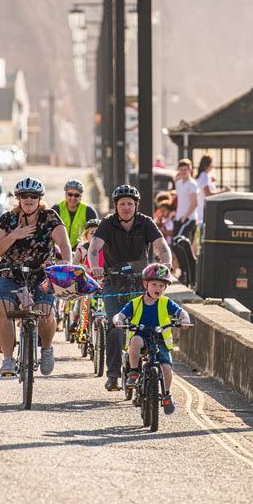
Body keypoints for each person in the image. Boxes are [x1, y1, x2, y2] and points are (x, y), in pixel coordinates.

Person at [87, 184, 172, 392]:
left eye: (130, 204)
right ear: (116, 206)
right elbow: (94, 247)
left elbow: (161, 246)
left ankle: (144, 365)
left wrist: (166, 263)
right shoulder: (107, 224)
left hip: (139, 281)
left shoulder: (146, 223)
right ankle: (114, 375)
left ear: (136, 206)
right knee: (115, 324)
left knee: (148, 325)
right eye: (122, 204)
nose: (126, 207)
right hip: (113, 282)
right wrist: (96, 267)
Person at [0, 176, 72, 377]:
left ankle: (47, 348)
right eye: (24, 196)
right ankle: (8, 358)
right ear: (18, 198)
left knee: (45, 312)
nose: (29, 199)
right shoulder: (7, 219)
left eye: (33, 196)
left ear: (39, 198)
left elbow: (64, 244)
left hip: (41, 273)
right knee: (3, 310)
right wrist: (14, 235)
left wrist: (66, 264)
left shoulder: (50, 218)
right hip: (10, 272)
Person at [113, 263, 191, 414]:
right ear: (145, 284)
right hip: (141, 335)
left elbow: (182, 313)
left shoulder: (166, 303)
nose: (158, 288)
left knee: (167, 369)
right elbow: (120, 315)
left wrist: (185, 320)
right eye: (154, 284)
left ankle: (167, 395)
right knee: (135, 341)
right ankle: (134, 372)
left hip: (159, 339)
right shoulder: (135, 303)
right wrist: (118, 321)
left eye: (161, 286)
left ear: (165, 288)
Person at [52, 179, 98, 251]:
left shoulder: (88, 211)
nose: (73, 198)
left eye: (76, 195)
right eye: (70, 194)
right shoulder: (56, 208)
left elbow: (94, 235)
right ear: (65, 195)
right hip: (58, 249)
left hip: (80, 250)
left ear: (80, 197)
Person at [196, 153, 229, 225]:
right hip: (205, 212)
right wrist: (223, 191)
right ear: (209, 164)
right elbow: (208, 194)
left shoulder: (203, 175)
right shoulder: (205, 176)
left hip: (201, 211)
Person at [173, 158, 198, 243]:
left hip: (188, 219)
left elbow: (194, 203)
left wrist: (185, 216)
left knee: (178, 242)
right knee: (177, 244)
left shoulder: (192, 184)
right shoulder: (178, 183)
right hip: (178, 218)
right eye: (181, 169)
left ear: (190, 170)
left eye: (185, 169)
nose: (183, 172)